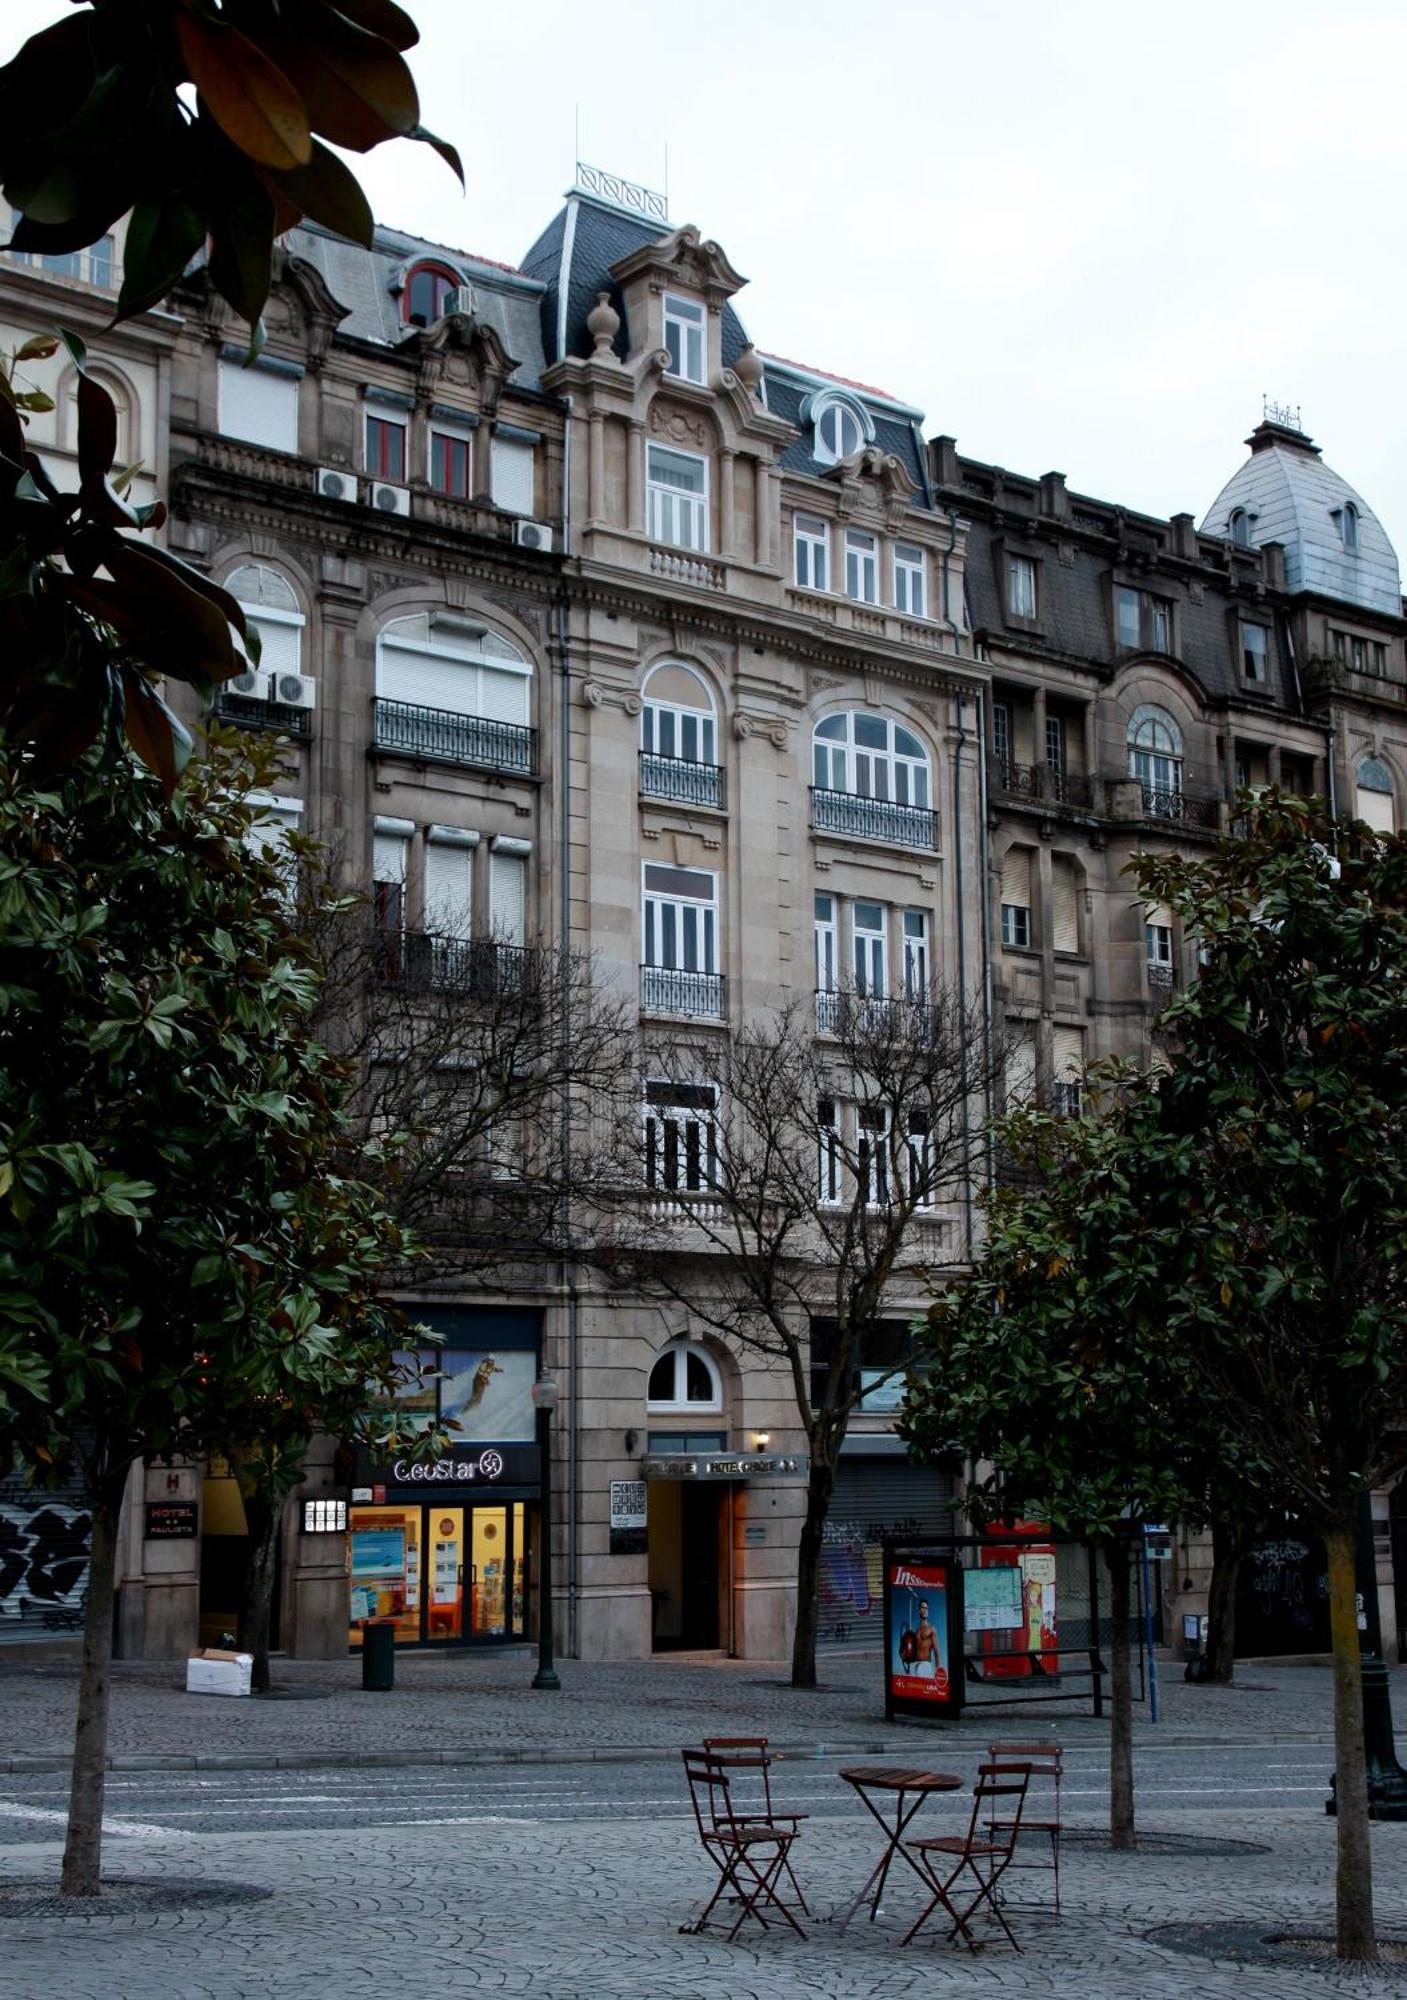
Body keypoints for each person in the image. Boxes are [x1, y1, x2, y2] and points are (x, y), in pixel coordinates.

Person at [912, 1599, 939, 1678]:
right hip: (915, 1665)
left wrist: (938, 1672)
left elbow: (936, 1652)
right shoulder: (916, 1631)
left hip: (926, 1666)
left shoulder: (931, 1629)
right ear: (919, 1610)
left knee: (926, 1690)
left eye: (926, 1608)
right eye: (923, 1608)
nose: (925, 1610)